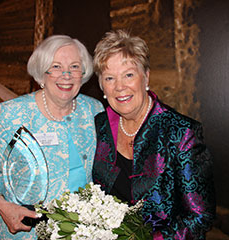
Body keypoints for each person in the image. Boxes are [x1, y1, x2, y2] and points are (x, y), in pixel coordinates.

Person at [0, 35, 104, 239]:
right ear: (41, 72)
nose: (66, 75)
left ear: (84, 72)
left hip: (79, 232)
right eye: (55, 66)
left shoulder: (93, 110)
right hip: (25, 232)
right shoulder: (12, 114)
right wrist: (1, 205)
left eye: (74, 66)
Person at [92, 30, 215, 239]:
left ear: (146, 77)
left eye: (129, 75)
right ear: (102, 86)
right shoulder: (101, 125)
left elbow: (200, 216)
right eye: (110, 78)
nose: (120, 86)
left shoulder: (181, 133)